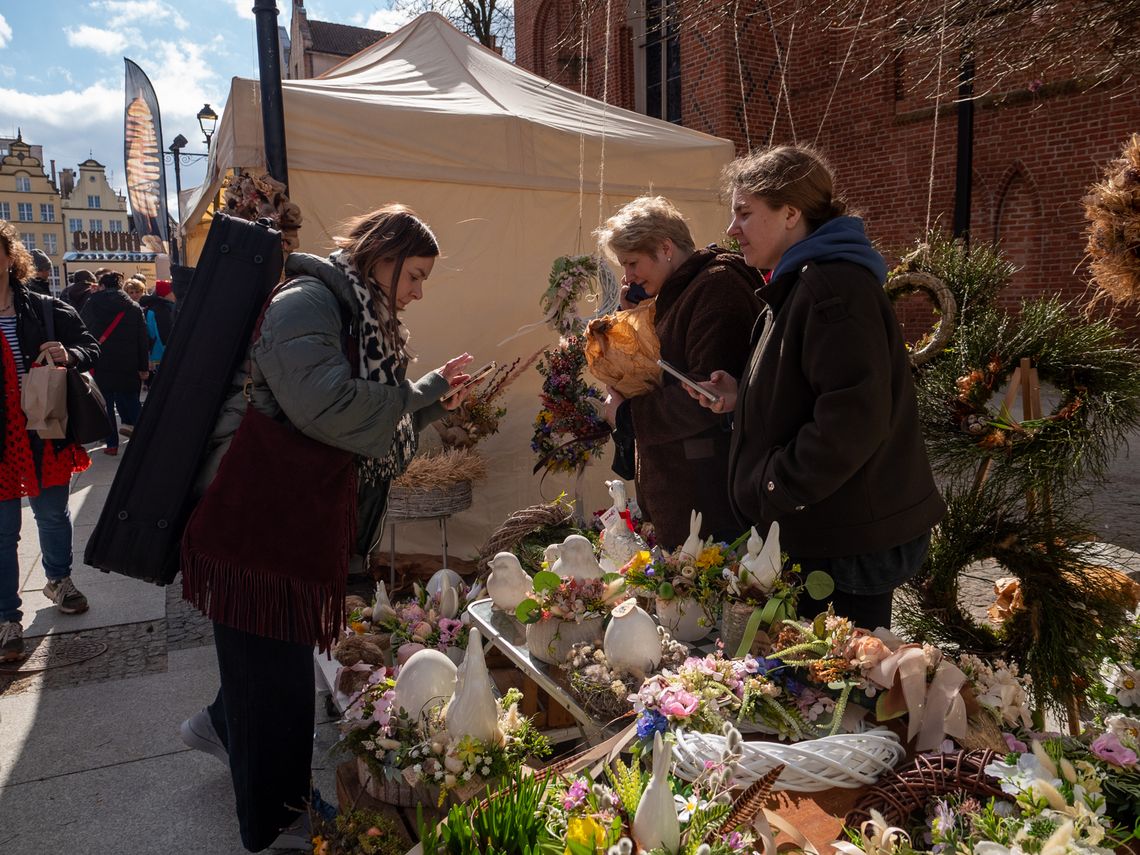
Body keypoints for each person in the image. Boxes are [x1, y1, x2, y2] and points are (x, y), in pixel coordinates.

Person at [179, 204, 473, 852]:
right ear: (384, 256)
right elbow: (331, 408)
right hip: (256, 528)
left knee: (275, 675)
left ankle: (222, 728)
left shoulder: (357, 315)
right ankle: (274, 821)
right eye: (416, 275)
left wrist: (424, 399)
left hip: (287, 528)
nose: (419, 292)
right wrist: (417, 392)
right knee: (272, 683)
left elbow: (368, 432)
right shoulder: (308, 302)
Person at [691, 145, 945, 630]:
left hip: (845, 546)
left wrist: (775, 484)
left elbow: (853, 418)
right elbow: (815, 391)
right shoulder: (802, 283)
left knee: (839, 695)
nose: (731, 229)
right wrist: (743, 398)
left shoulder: (832, 288)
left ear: (790, 213)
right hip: (827, 531)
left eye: (744, 213)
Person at [595, 196, 763, 549]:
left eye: (632, 263)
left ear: (665, 248)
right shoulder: (675, 293)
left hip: (707, 501)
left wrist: (627, 415)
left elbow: (703, 395)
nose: (627, 276)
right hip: (682, 496)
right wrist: (636, 320)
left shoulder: (716, 288)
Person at [0, 222, 100, 662]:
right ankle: (7, 618)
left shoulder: (42, 306)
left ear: (10, 257)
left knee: (53, 516)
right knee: (3, 533)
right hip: (2, 440)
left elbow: (90, 346)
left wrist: (70, 354)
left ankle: (59, 579)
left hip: (46, 428)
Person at [79, 272, 149, 453]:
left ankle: (111, 445)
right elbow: (142, 340)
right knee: (132, 402)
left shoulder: (92, 303)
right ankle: (145, 440)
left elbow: (82, 330)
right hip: (128, 363)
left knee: (106, 404)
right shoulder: (133, 307)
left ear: (102, 286)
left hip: (101, 362)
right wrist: (143, 367)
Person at [139, 278, 175, 373]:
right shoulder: (161, 310)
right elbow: (163, 335)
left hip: (154, 353)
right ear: (166, 294)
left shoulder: (154, 307)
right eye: (172, 292)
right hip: (161, 355)